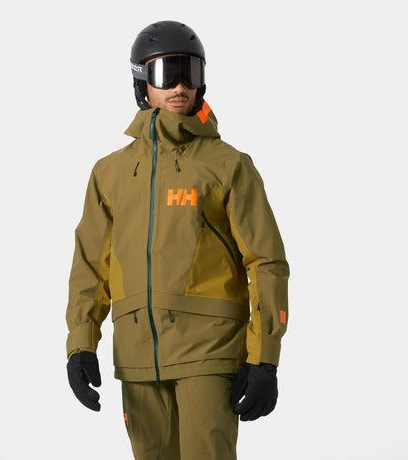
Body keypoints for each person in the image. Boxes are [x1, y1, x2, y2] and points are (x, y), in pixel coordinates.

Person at [65, 20, 289, 460]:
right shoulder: (109, 173)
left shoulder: (228, 166)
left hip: (209, 353)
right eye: (167, 73)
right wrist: (80, 343)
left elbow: (266, 262)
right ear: (142, 83)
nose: (181, 86)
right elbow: (91, 265)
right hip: (136, 358)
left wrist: (265, 356)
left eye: (190, 72)